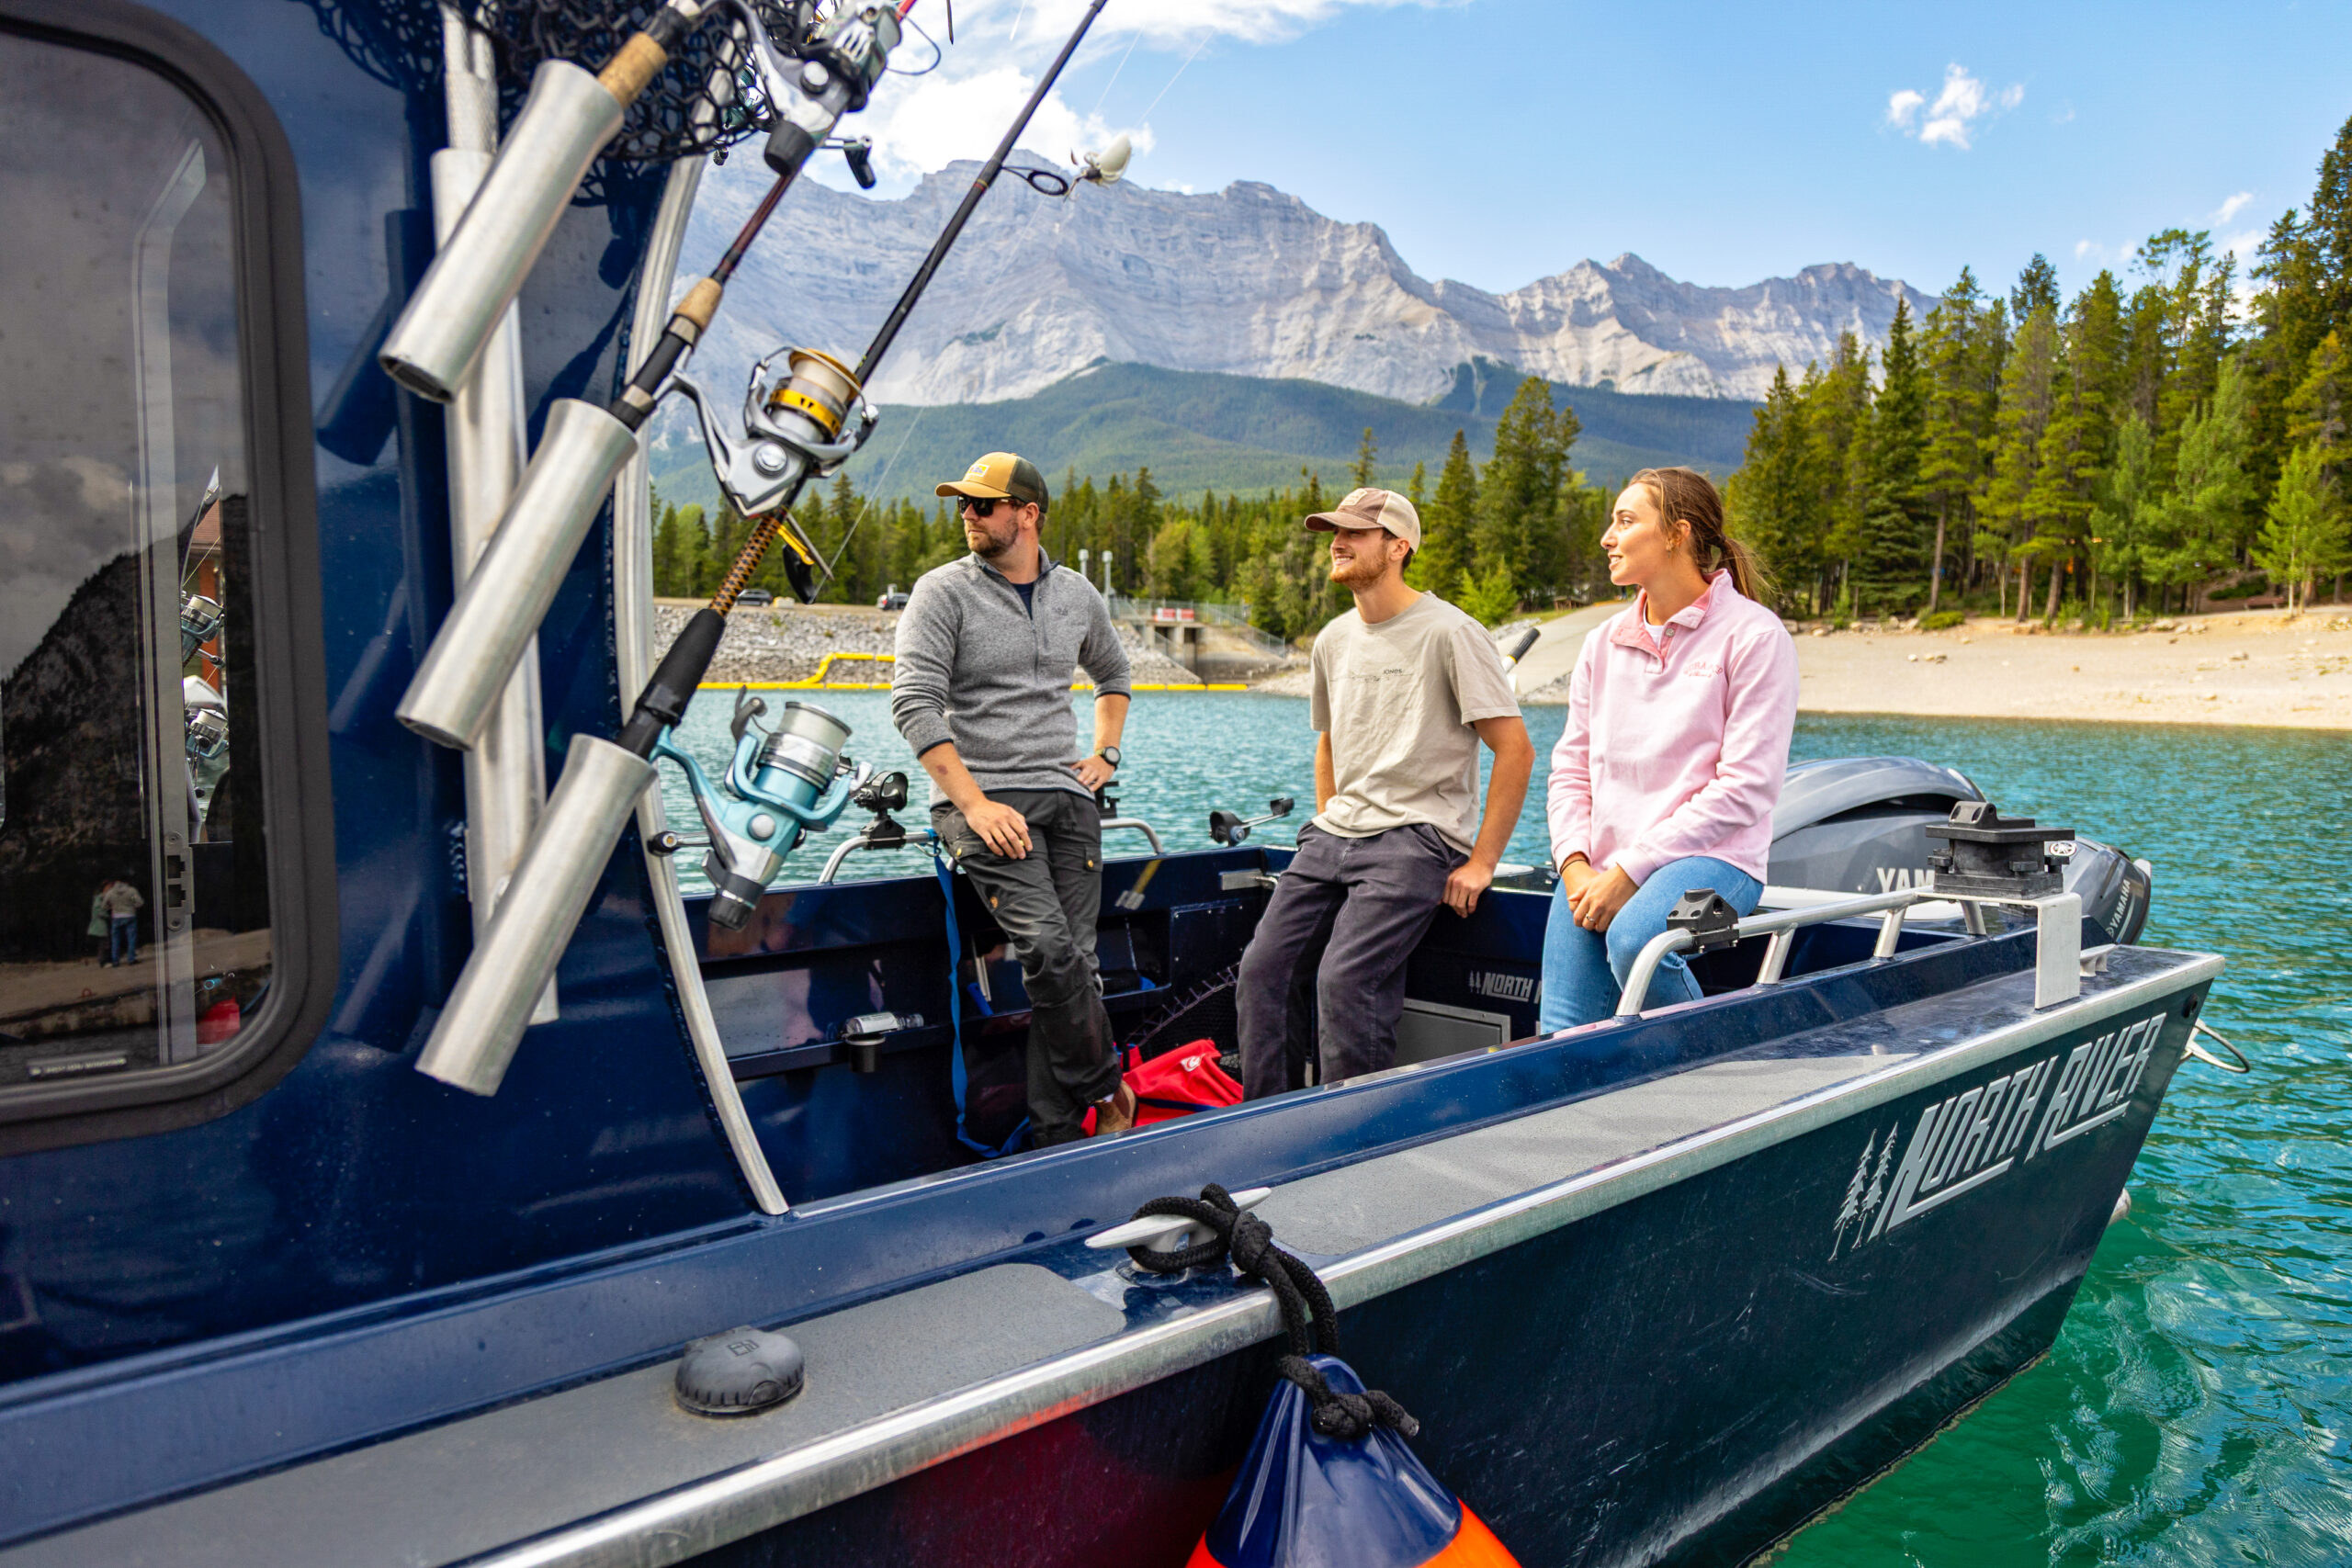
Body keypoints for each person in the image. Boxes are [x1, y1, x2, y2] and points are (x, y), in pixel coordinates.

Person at [1236, 487, 1533, 1098]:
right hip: (1334, 834)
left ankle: (1356, 1141)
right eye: (1335, 534)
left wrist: (1481, 862)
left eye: (1355, 533)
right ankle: (1268, 1127)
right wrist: (1328, 818)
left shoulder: (1452, 632)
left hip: (1416, 839)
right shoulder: (1333, 639)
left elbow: (1516, 750)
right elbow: (1329, 745)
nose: (1338, 544)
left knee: (1345, 981)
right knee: (1261, 973)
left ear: (1398, 548)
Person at [892, 452, 1140, 1146]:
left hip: (1068, 798)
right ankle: (1109, 1091)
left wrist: (1106, 754)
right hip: (983, 802)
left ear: (1028, 514)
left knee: (1076, 969)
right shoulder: (941, 592)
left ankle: (1055, 1142)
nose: (966, 515)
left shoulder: (1076, 594)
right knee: (1051, 952)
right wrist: (973, 805)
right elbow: (914, 704)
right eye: (962, 505)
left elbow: (1114, 674)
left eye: (982, 504)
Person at [1540, 467, 1797, 1031]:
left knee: (1636, 941)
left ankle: (1718, 1070)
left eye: (1625, 521)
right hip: (1602, 865)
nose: (1607, 537)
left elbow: (1747, 788)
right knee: (1561, 1033)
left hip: (1718, 860)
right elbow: (1571, 769)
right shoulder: (1601, 643)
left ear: (1677, 534)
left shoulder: (1755, 636)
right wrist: (1574, 863)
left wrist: (1631, 870)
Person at [97, 877, 144, 966]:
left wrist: (112, 907)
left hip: (116, 917)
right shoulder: (131, 891)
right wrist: (131, 906)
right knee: (131, 939)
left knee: (115, 940)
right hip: (129, 915)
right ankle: (131, 959)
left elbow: (104, 906)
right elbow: (138, 903)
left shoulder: (111, 892)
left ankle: (115, 961)